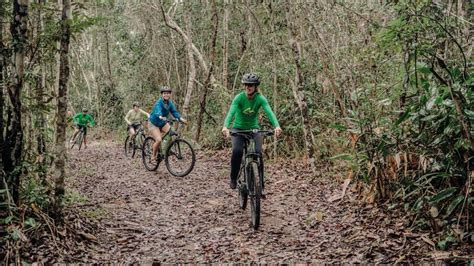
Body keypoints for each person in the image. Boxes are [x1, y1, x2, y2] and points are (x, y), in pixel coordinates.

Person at [222, 73, 282, 192]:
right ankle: (233, 178)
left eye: (251, 85)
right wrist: (225, 126)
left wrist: (277, 126)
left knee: (258, 153)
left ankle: (261, 185)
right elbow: (231, 112)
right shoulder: (239, 98)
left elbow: (269, 112)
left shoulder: (260, 98)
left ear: (256, 86)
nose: (248, 87)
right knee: (237, 151)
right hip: (238, 130)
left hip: (254, 129)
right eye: (246, 85)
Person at [148, 86, 187, 162]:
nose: (166, 95)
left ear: (170, 94)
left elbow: (174, 112)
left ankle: (166, 150)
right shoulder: (158, 103)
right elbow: (157, 111)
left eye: (168, 93)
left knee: (171, 132)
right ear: (162, 94)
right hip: (153, 123)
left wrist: (180, 118)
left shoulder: (170, 103)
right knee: (159, 140)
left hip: (162, 123)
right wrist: (160, 116)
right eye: (164, 93)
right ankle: (153, 156)